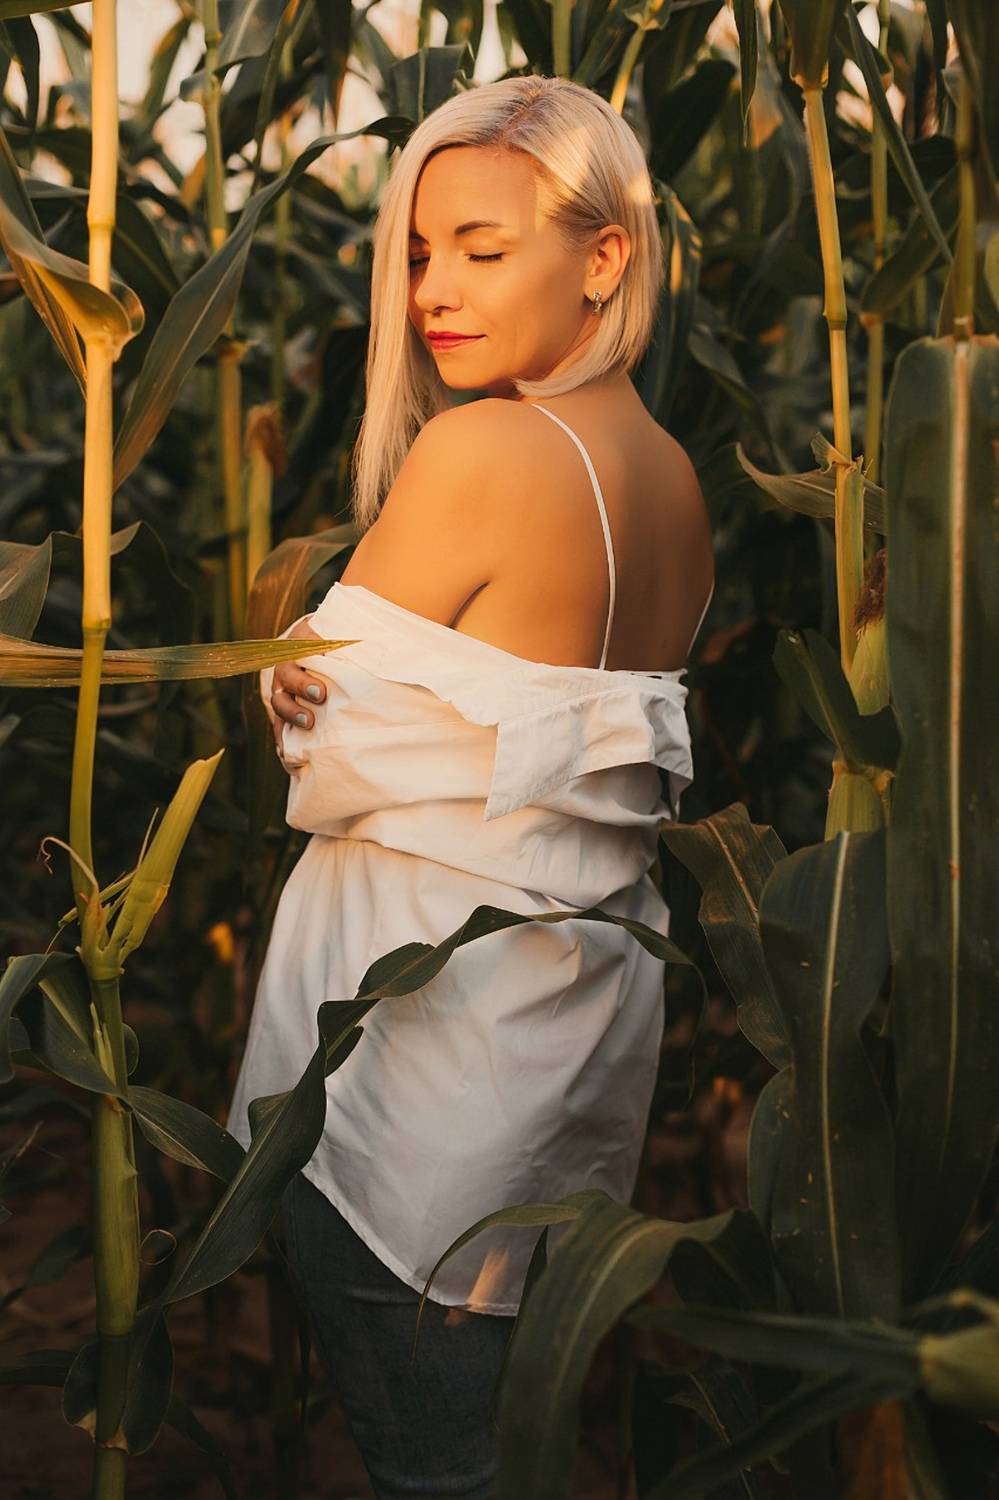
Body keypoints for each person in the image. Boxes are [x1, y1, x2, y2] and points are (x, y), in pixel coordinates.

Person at [225, 73, 714, 1500]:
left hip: (407, 1083)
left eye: (483, 251)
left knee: (432, 1469)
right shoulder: (675, 482)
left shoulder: (482, 449)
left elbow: (322, 738)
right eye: (421, 251)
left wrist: (287, 687)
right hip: (568, 1065)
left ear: (605, 258)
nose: (433, 291)